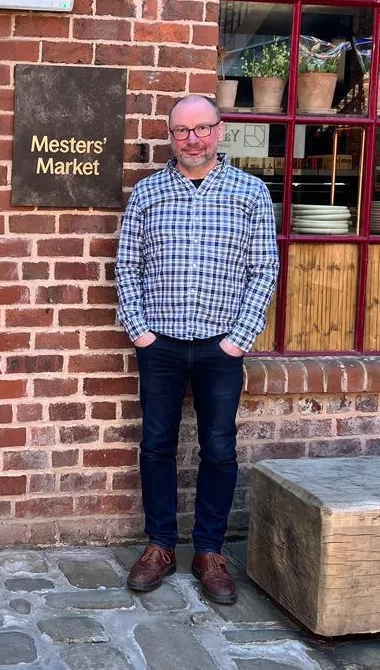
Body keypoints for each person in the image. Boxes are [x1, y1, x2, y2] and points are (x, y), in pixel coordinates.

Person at [115, 95, 279, 605]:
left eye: (202, 128)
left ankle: (209, 551)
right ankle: (160, 545)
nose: (192, 139)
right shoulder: (147, 195)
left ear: (219, 130)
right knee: (157, 445)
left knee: (220, 448)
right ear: (170, 136)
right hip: (159, 343)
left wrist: (239, 338)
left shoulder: (249, 194)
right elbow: (127, 268)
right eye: (182, 131)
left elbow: (264, 269)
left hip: (220, 347)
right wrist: (141, 331)